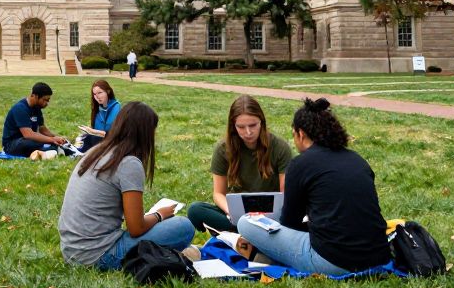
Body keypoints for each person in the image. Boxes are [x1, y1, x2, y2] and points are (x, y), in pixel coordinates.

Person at [236, 98, 391, 275]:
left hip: (332, 261)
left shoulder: (301, 164)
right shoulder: (357, 160)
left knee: (246, 222)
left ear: (300, 134)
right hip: (378, 257)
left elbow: (289, 222)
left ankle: (266, 254)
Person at [58, 101, 196, 269]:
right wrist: (159, 215)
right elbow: (136, 228)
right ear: (145, 133)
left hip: (71, 251)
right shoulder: (128, 163)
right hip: (98, 254)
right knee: (183, 227)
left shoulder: (96, 151)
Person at [186, 95, 292, 233]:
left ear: (262, 122)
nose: (248, 132)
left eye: (253, 125)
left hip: (269, 212)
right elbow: (218, 193)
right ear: (233, 126)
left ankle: (243, 233)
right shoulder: (223, 149)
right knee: (195, 210)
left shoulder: (280, 148)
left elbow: (286, 195)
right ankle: (245, 231)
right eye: (241, 127)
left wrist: (265, 216)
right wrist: (232, 213)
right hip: (239, 211)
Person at [1, 82, 69, 158]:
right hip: (12, 145)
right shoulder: (20, 108)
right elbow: (28, 134)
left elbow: (43, 129)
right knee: (33, 143)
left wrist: (56, 138)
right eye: (45, 100)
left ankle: (50, 151)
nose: (47, 103)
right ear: (35, 96)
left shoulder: (37, 108)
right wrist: (52, 140)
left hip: (28, 141)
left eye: (48, 100)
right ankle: (52, 151)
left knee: (46, 142)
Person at [81, 80, 121, 151]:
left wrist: (93, 132)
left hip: (111, 142)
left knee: (89, 138)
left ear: (108, 92)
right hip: (98, 139)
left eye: (100, 93)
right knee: (85, 138)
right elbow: (96, 128)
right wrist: (89, 130)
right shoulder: (97, 108)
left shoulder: (116, 108)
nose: (97, 97)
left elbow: (114, 134)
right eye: (94, 94)